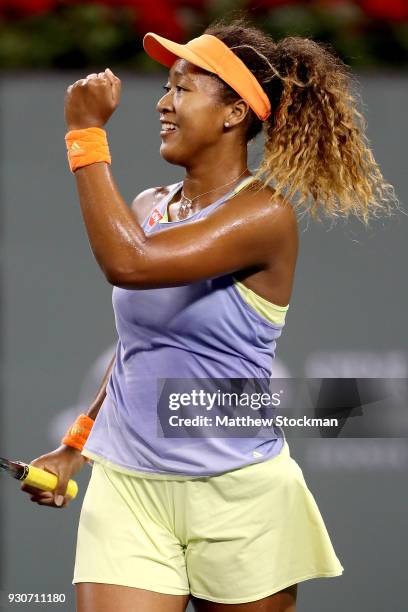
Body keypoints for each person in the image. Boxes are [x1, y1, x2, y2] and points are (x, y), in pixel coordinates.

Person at [20, 16, 398, 612]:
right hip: (130, 490)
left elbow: (130, 263)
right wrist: (77, 444)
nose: (163, 105)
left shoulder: (263, 216)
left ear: (234, 113)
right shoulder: (148, 205)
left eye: (181, 88)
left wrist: (85, 133)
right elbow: (137, 348)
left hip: (240, 496)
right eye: (166, 88)